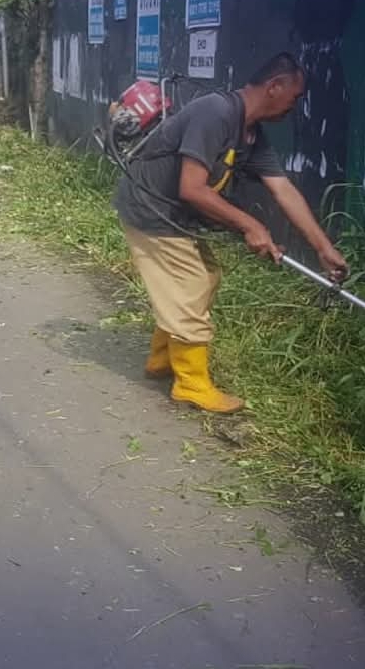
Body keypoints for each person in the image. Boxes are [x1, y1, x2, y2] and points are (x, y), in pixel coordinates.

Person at [112, 53, 349, 414]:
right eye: (295, 96)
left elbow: (283, 190)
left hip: (174, 214)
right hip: (150, 207)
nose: (296, 105)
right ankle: (191, 384)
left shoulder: (250, 135)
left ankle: (162, 358)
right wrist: (250, 225)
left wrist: (323, 248)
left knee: (207, 276)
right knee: (190, 283)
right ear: (275, 87)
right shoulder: (216, 113)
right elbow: (192, 188)